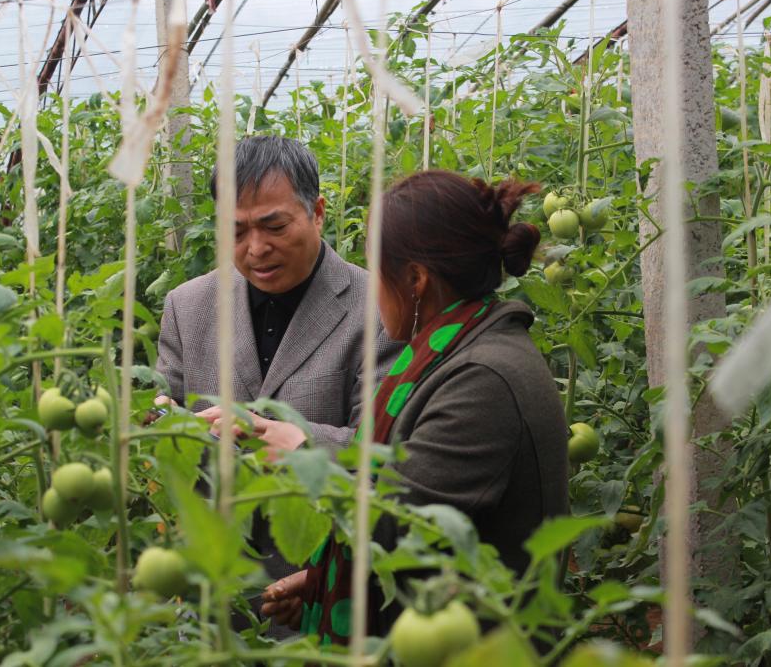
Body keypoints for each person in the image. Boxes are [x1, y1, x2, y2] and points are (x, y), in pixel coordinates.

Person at [260, 170, 570, 644]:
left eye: (376, 272)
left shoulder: (482, 379)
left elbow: (403, 524)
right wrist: (320, 581)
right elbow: (427, 504)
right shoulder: (462, 350)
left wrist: (304, 453)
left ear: (415, 280)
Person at [154, 135, 398, 636]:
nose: (256, 248)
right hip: (214, 595)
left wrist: (294, 441)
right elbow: (165, 411)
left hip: (324, 593)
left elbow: (388, 452)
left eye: (275, 226)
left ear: (317, 213)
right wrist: (159, 422)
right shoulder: (188, 307)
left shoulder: (378, 309)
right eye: (235, 231)